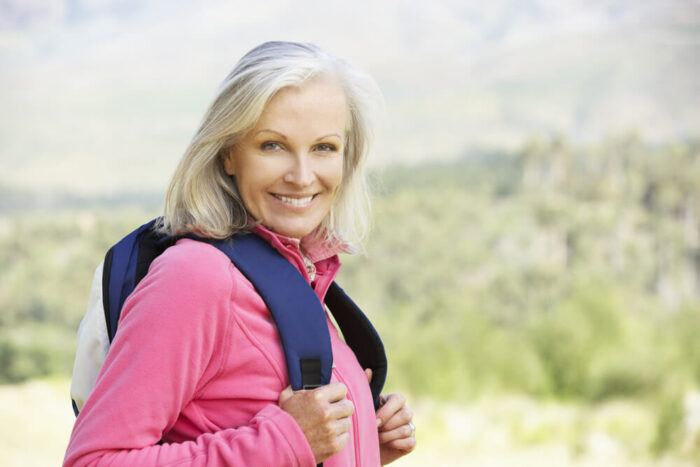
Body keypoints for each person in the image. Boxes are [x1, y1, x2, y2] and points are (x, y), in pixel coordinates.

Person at [64, 41, 416, 466]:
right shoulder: (195, 277)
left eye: (324, 147)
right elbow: (93, 460)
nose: (302, 176)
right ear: (229, 153)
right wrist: (283, 441)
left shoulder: (292, 277)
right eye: (273, 145)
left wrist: (364, 444)